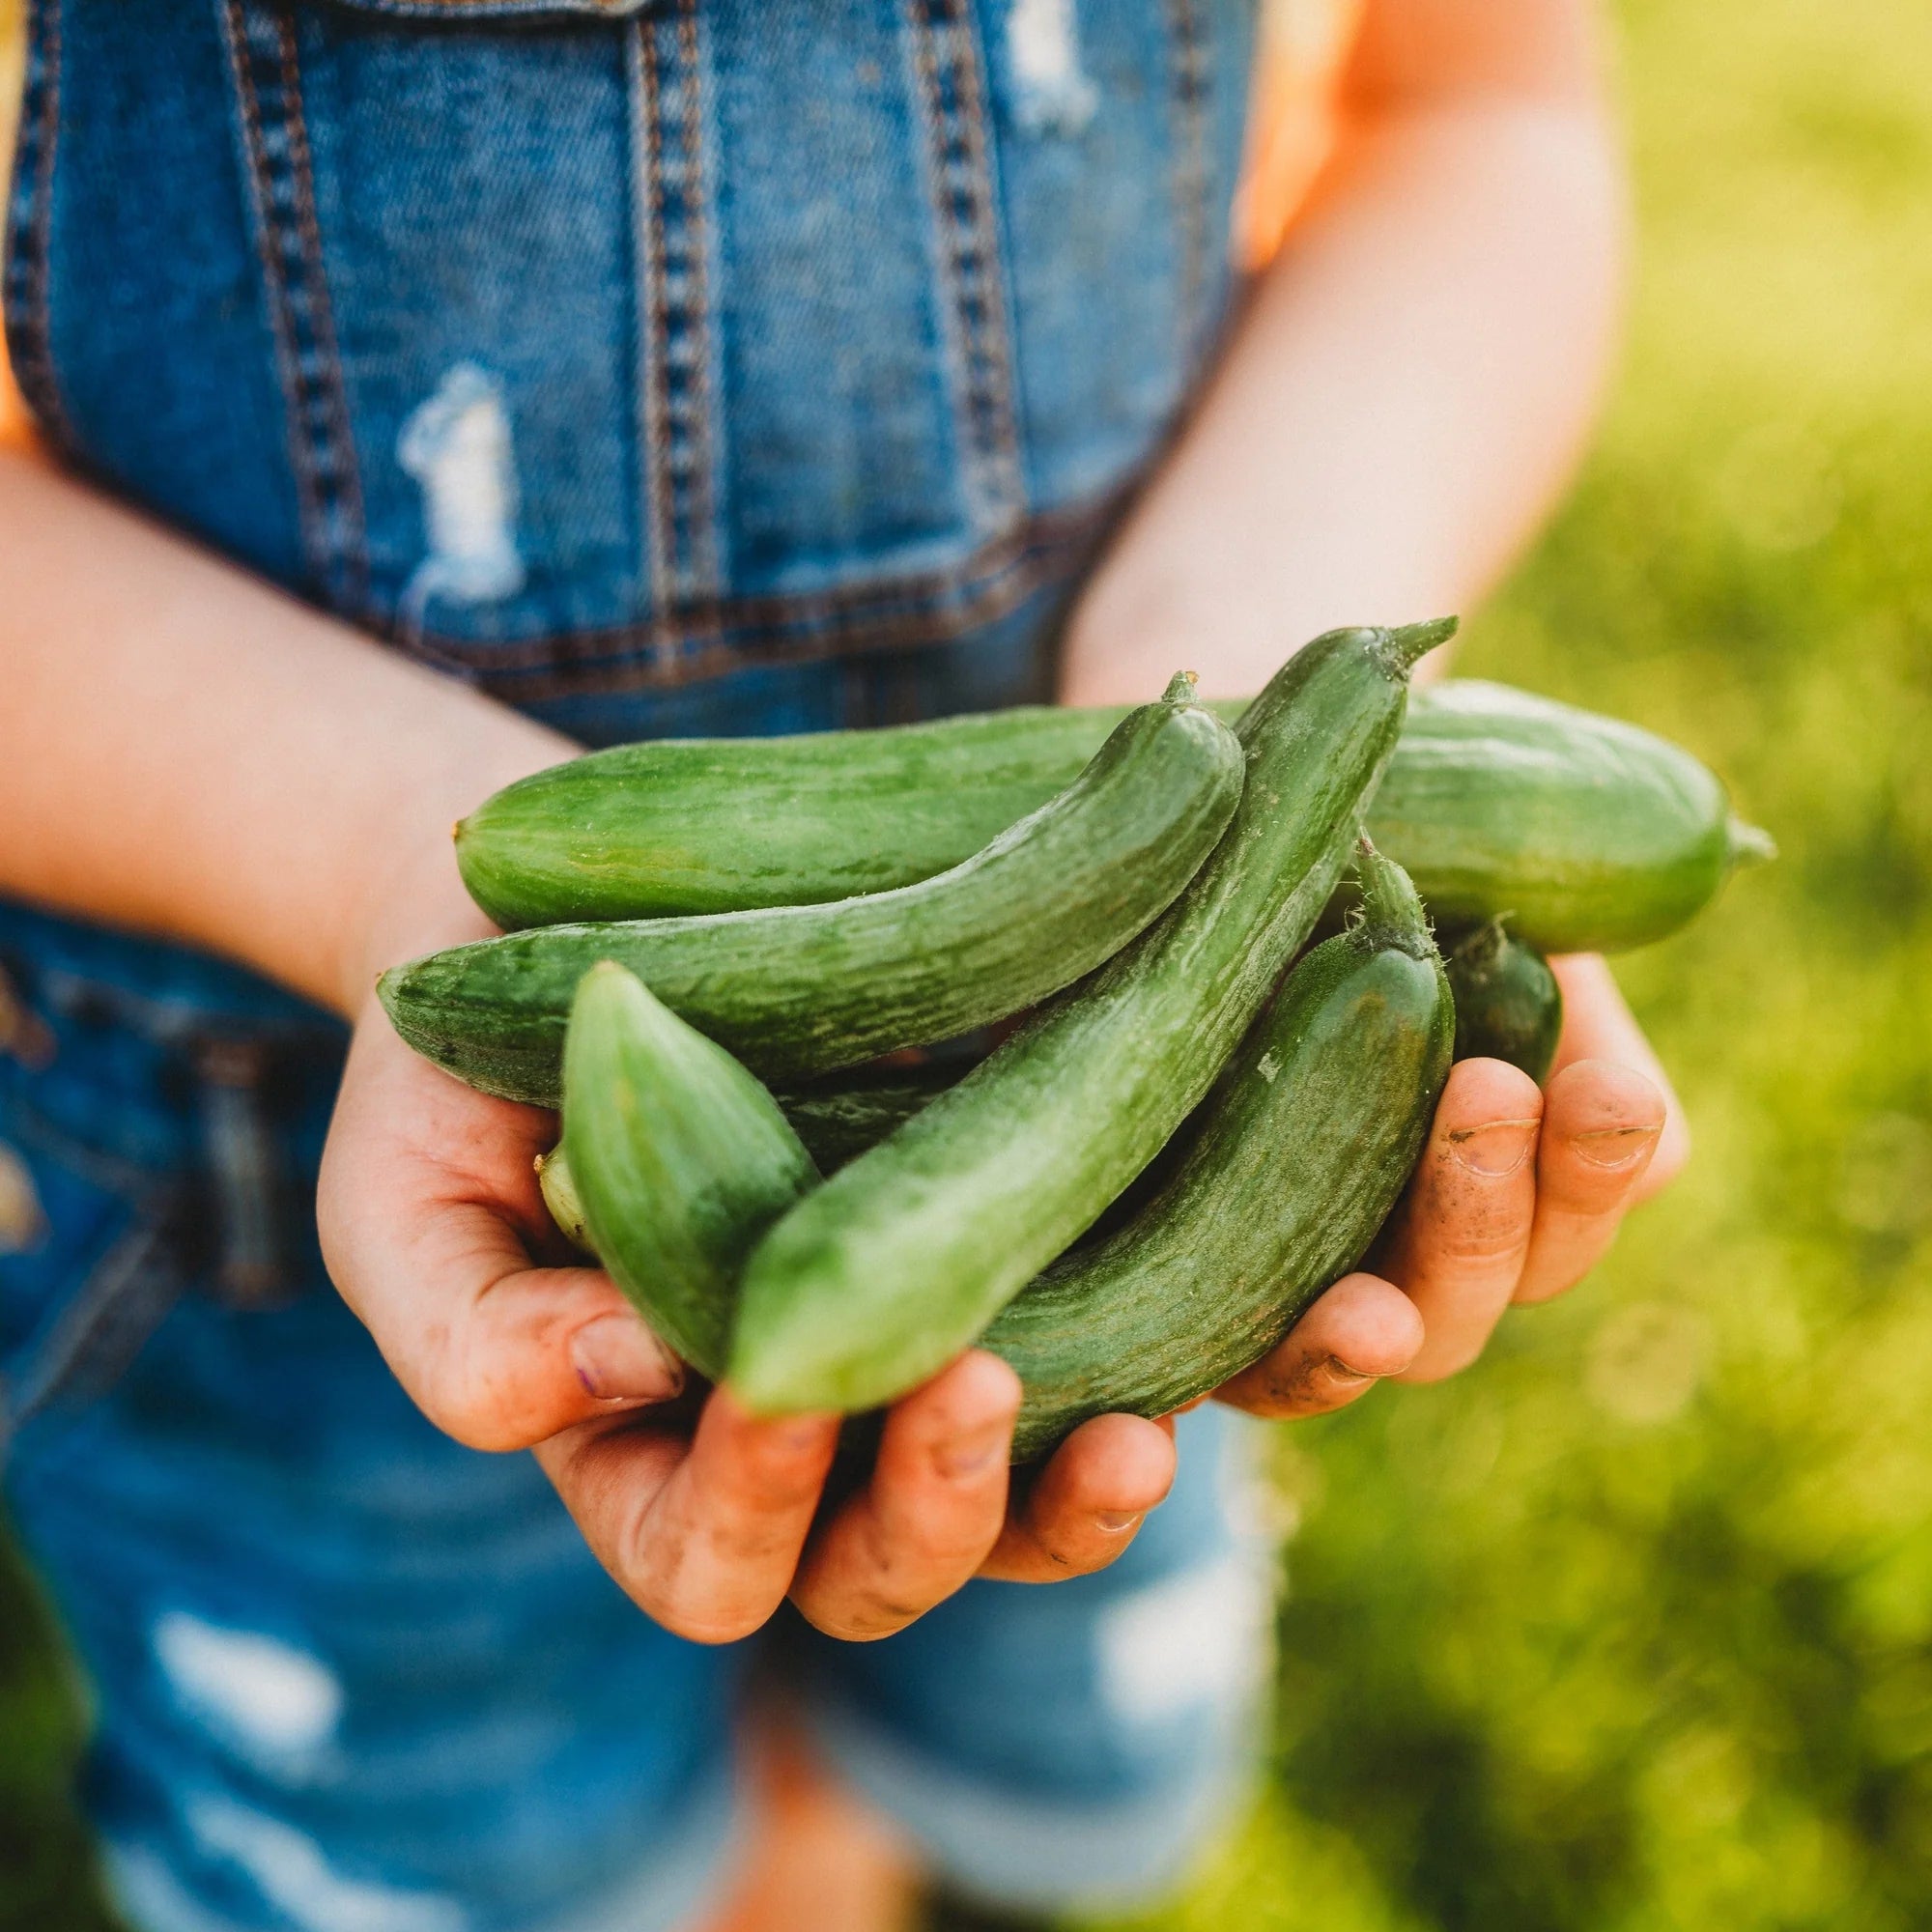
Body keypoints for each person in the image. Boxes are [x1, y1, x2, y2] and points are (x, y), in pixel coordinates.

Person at [0, 0, 1684, 1926]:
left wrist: (1274, 711)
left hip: (1140, 1135)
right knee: (463, 1855)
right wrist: (382, 843)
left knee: (946, 1700)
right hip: (249, 1179)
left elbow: (1475, 99)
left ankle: (820, 1855)